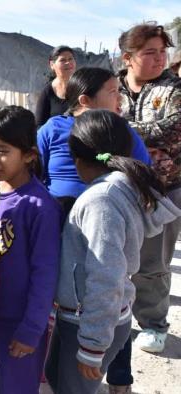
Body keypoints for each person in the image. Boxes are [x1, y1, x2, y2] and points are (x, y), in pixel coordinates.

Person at [45, 110, 180, 394]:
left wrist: (93, 344)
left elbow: (105, 274)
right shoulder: (121, 185)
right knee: (57, 379)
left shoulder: (101, 201)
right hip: (88, 316)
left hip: (90, 322)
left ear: (77, 158)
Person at [106, 22, 181, 394]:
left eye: (162, 51)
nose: (159, 58)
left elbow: (175, 127)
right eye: (150, 52)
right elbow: (90, 119)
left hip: (164, 189)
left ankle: (153, 323)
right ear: (128, 58)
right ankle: (112, 316)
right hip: (115, 187)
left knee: (153, 262)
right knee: (114, 257)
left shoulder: (174, 88)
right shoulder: (110, 87)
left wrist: (122, 129)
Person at [0, 106, 62, 394]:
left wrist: (31, 330)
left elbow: (45, 274)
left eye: (2, 150)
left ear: (28, 155)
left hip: (17, 325)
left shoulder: (40, 206)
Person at [37, 67, 152, 214]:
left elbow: (144, 173)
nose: (120, 97)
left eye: (119, 90)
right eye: (112, 92)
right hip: (56, 216)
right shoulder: (53, 128)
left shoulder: (122, 129)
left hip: (109, 213)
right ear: (85, 100)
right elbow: (34, 173)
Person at [35, 46, 77, 127]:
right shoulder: (47, 92)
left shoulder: (84, 86)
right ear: (52, 65)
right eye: (62, 60)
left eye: (71, 59)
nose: (68, 62)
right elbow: (39, 125)